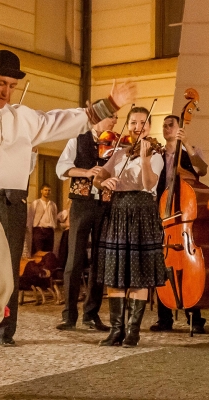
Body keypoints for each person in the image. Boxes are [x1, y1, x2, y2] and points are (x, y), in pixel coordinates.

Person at [0, 2, 136, 388]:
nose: (4, 90)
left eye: (10, 85)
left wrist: (109, 104)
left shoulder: (22, 119)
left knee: (4, 283)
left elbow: (61, 121)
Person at [93, 107, 166, 348]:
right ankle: (116, 330)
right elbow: (98, 177)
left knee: (138, 274)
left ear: (149, 126)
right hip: (118, 210)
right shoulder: (119, 153)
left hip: (142, 210)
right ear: (128, 125)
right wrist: (105, 181)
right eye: (133, 122)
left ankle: (133, 331)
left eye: (143, 123)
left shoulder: (156, 154)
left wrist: (144, 159)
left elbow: (148, 183)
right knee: (115, 273)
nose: (138, 127)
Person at [55, 115, 118, 331]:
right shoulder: (77, 139)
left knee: (100, 261)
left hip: (104, 204)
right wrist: (86, 172)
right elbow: (62, 168)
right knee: (74, 259)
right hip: (81, 203)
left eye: (117, 117)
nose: (115, 121)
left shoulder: (114, 142)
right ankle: (69, 315)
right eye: (112, 116)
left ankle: (91, 314)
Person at [150, 114, 208, 334]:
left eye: (170, 125)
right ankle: (164, 318)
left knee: (187, 263)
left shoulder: (190, 152)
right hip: (162, 215)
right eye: (164, 126)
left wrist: (189, 146)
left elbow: (202, 170)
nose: (166, 128)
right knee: (161, 264)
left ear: (180, 128)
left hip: (184, 217)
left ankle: (195, 317)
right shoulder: (158, 155)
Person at [0, 149, 37, 347]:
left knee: (9, 269)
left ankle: (5, 329)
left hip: (13, 204)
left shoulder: (23, 136)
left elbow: (28, 166)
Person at [27, 184, 58, 255]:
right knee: (38, 252)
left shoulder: (53, 204)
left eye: (49, 190)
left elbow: (54, 217)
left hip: (49, 230)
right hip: (39, 230)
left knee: (48, 253)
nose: (47, 192)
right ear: (41, 191)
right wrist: (30, 229)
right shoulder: (36, 203)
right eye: (45, 190)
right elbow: (30, 216)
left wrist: (54, 227)